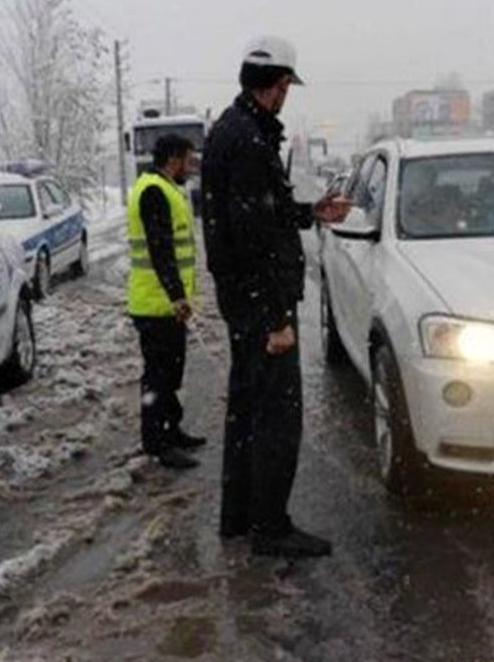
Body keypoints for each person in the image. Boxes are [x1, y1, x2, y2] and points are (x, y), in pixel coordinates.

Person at [202, 35, 350, 558]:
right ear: (278, 85)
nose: (287, 96)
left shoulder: (236, 131)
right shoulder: (247, 141)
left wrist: (311, 212)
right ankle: (270, 527)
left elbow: (261, 215)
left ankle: (239, 519)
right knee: (276, 421)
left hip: (246, 304)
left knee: (246, 413)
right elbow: (250, 238)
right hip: (260, 308)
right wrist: (274, 319)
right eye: (287, 86)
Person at [127, 134, 207, 470]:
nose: (190, 168)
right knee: (159, 377)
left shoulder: (166, 187)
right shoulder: (153, 191)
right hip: (156, 305)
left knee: (170, 373)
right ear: (173, 159)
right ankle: (157, 443)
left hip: (165, 304)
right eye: (188, 161)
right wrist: (176, 296)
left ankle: (171, 430)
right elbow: (160, 249)